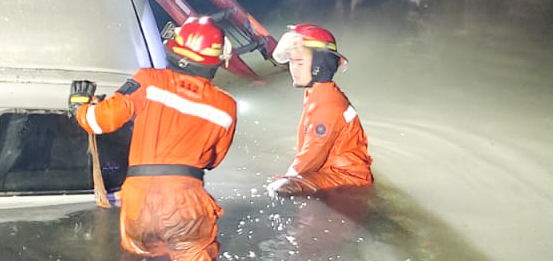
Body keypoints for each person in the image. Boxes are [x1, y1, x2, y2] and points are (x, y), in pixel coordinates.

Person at [69, 17, 237, 261]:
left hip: (138, 204)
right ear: (215, 62)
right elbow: (213, 160)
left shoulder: (148, 82)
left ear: (175, 49)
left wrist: (79, 107)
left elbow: (98, 121)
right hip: (186, 203)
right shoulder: (226, 107)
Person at [265, 24, 373, 197]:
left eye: (299, 62)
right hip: (339, 173)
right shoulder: (320, 94)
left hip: (347, 180)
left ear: (319, 65)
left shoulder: (327, 104)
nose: (293, 69)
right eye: (292, 62)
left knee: (280, 188)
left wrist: (289, 177)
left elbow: (313, 153)